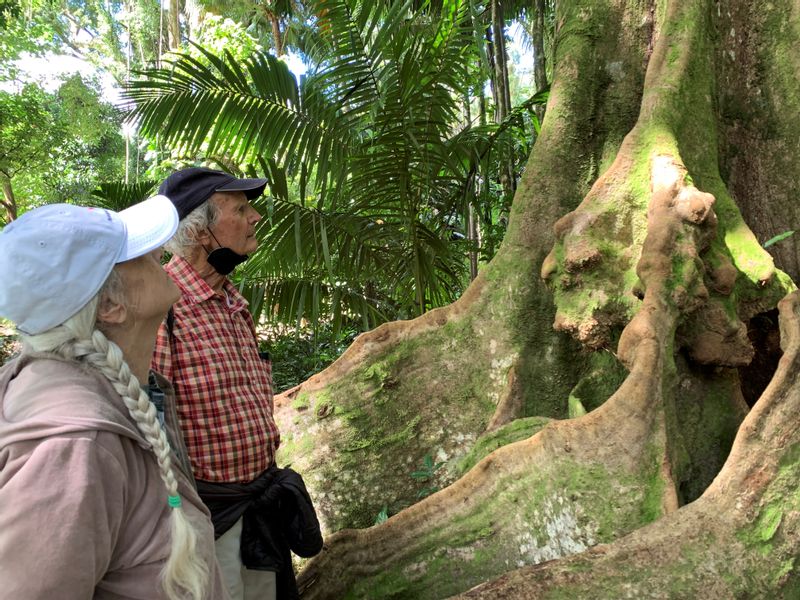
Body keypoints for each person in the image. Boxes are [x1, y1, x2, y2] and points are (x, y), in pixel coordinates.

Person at [0, 197, 228, 599]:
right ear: (109, 306)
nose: (158, 252)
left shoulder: (112, 396)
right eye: (139, 254)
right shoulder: (76, 446)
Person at [152, 167, 285, 600]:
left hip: (262, 508)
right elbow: (148, 432)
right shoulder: (163, 307)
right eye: (241, 209)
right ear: (200, 231)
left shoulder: (233, 302)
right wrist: (175, 517)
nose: (256, 217)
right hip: (209, 521)